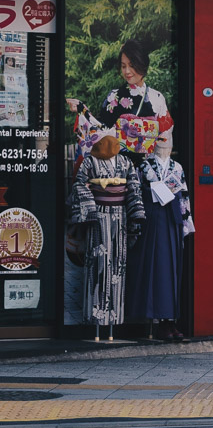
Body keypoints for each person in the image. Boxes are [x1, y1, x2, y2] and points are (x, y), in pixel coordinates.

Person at [68, 133, 145, 332]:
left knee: (118, 264)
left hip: (119, 216)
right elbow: (79, 185)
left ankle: (114, 317)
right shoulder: (90, 162)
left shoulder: (125, 162)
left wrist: (135, 214)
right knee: (97, 262)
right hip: (98, 216)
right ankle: (95, 317)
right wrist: (90, 209)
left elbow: (134, 187)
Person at [125, 130, 195, 339]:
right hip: (152, 220)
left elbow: (183, 195)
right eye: (162, 144)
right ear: (154, 146)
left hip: (171, 221)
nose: (166, 147)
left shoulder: (177, 167)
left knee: (171, 270)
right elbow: (135, 191)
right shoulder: (145, 166)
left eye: (168, 144)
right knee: (152, 269)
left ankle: (170, 320)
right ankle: (153, 319)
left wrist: (185, 222)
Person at [67, 38, 174, 163]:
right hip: (119, 167)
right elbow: (101, 131)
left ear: (143, 64)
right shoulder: (114, 97)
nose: (127, 71)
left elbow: (165, 136)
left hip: (149, 167)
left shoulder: (157, 98)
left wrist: (160, 166)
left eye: (132, 66)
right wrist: (82, 110)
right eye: (123, 66)